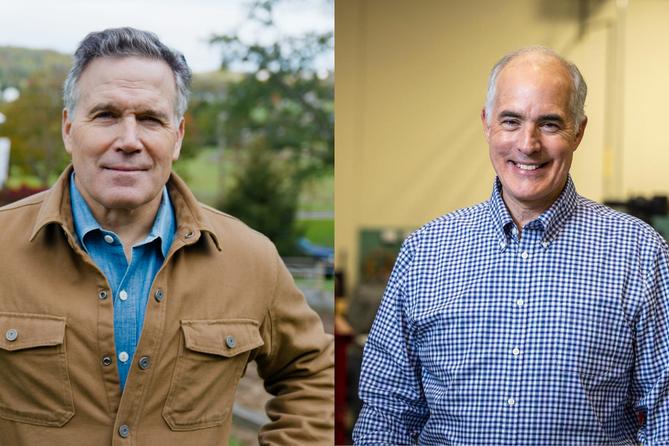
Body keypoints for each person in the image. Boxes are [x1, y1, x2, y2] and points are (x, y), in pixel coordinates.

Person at [0, 27, 333, 445]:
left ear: (176, 137)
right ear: (69, 128)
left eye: (151, 119)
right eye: (105, 115)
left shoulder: (250, 258)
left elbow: (314, 372)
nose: (129, 140)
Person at [353, 46, 669, 445]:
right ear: (487, 124)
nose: (527, 143)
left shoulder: (641, 253)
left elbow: (664, 414)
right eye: (511, 120)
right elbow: (387, 413)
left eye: (550, 124)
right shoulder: (424, 252)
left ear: (579, 131)